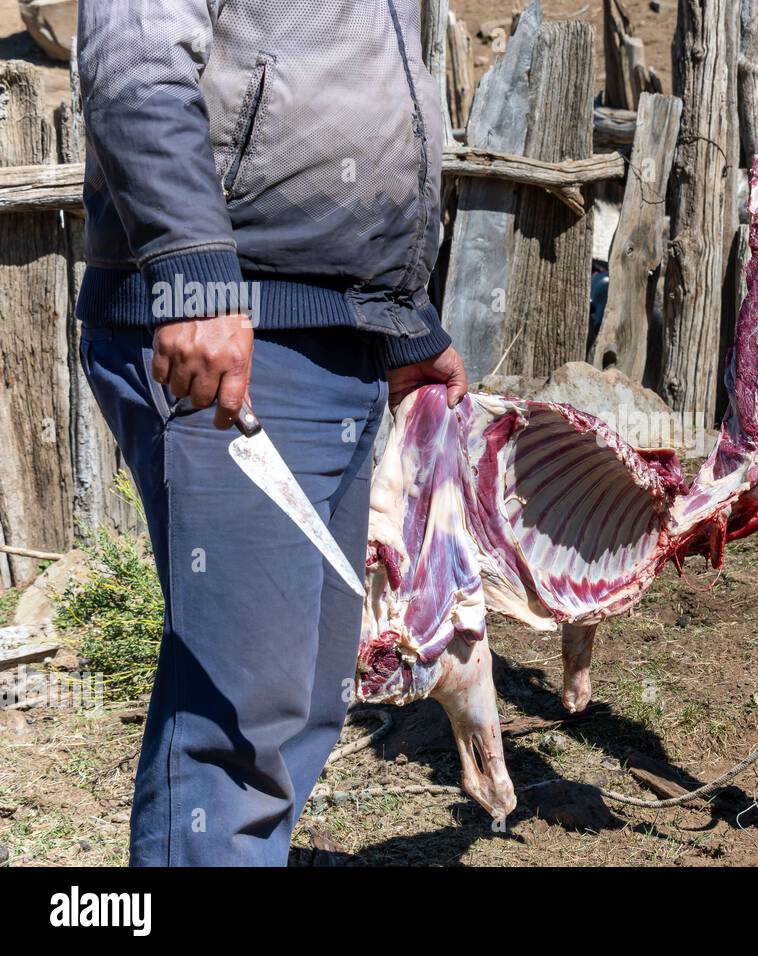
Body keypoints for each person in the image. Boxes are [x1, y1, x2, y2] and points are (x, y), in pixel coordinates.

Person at [75, 0, 467, 866]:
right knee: (241, 721)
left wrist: (401, 323)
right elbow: (134, 57)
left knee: (302, 699)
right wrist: (191, 272)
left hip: (327, 335)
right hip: (232, 325)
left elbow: (351, 87)